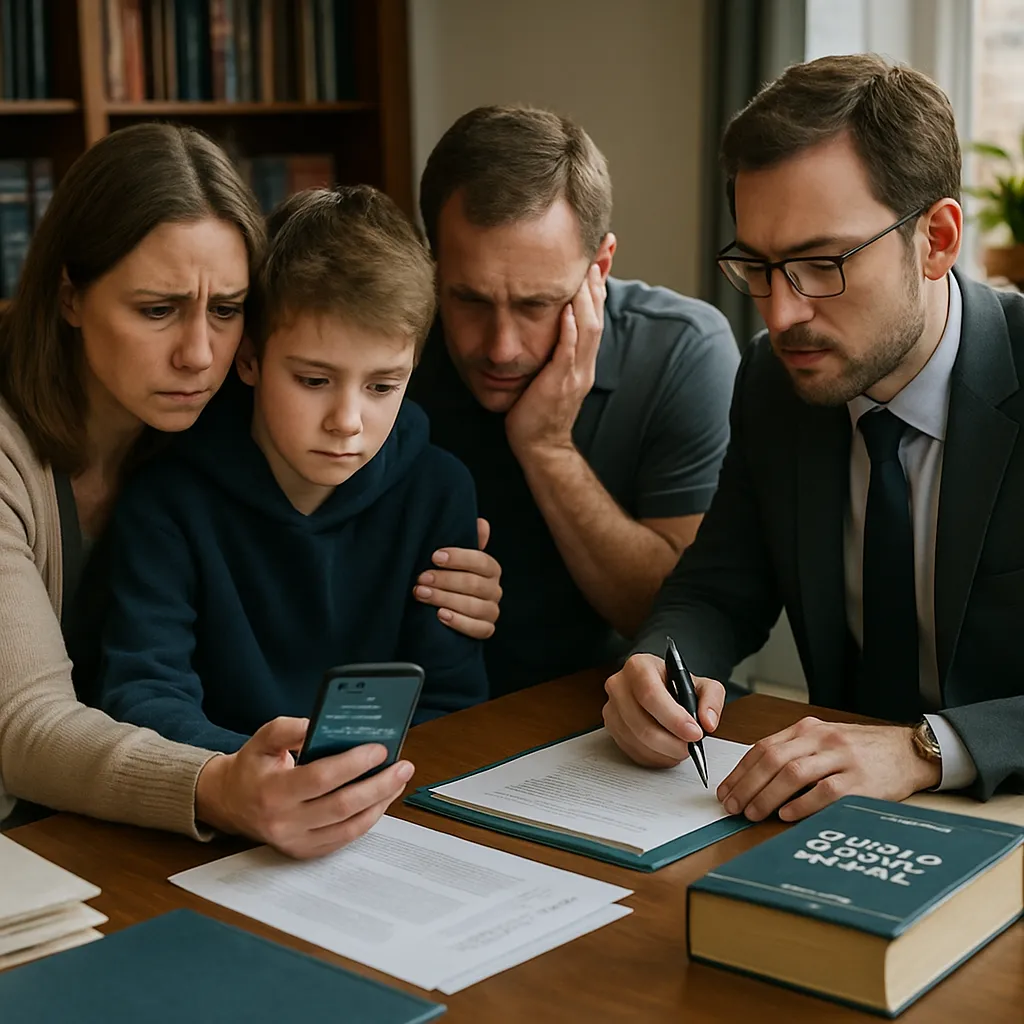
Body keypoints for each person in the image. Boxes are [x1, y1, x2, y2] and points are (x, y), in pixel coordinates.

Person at [0, 124, 498, 858]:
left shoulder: (221, 421)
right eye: (156, 309)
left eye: (227, 309)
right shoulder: (160, 482)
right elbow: (28, 721)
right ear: (71, 294)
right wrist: (226, 782)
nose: (200, 354)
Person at [603, 54, 1024, 820]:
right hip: (838, 812)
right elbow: (717, 587)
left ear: (936, 238)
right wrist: (658, 666)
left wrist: (927, 748)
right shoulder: (776, 381)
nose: (780, 313)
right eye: (758, 267)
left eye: (820, 263)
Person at [99, 185, 487, 751]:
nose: (347, 421)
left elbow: (451, 702)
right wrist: (258, 776)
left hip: (384, 803)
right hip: (218, 802)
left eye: (383, 385)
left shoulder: (438, 490)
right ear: (250, 357)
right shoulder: (168, 499)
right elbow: (143, 695)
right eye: (313, 380)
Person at [408, 105, 740, 695]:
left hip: (610, 717)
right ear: (431, 267)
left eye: (537, 304)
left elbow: (671, 620)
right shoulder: (391, 348)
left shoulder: (681, 353)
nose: (501, 348)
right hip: (431, 709)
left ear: (600, 268)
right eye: (470, 301)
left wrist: (546, 446)